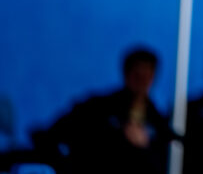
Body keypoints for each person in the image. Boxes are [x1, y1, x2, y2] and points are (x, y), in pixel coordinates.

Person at [36, 46, 174, 173]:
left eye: (147, 75)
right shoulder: (96, 108)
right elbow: (54, 135)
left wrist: (145, 146)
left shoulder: (159, 123)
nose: (141, 81)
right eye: (137, 74)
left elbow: (164, 164)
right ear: (126, 73)